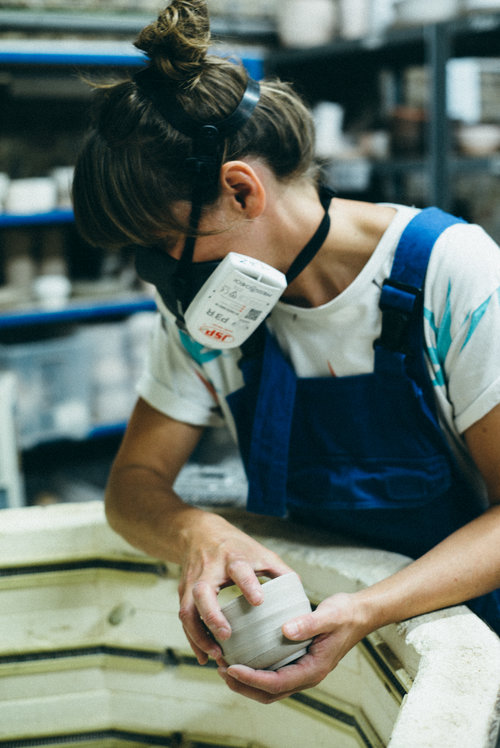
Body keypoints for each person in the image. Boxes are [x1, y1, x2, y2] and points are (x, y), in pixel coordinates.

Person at [72, 0, 500, 704]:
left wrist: (369, 608)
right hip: (318, 642)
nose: (160, 277)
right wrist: (199, 533)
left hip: (467, 651)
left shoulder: (447, 273)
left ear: (241, 189)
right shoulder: (211, 312)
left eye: (160, 249)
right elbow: (132, 485)